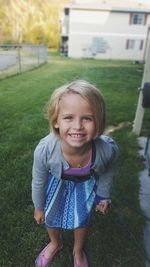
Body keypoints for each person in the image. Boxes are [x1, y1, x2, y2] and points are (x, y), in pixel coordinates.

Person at [32, 80, 118, 267]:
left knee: (82, 218)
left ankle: (77, 250)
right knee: (51, 215)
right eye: (68, 117)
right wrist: (39, 207)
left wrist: (103, 195)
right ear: (56, 121)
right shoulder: (45, 150)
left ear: (99, 121)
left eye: (87, 118)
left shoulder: (106, 150)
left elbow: (109, 169)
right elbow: (38, 181)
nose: (77, 126)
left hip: (86, 184)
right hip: (58, 183)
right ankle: (55, 242)